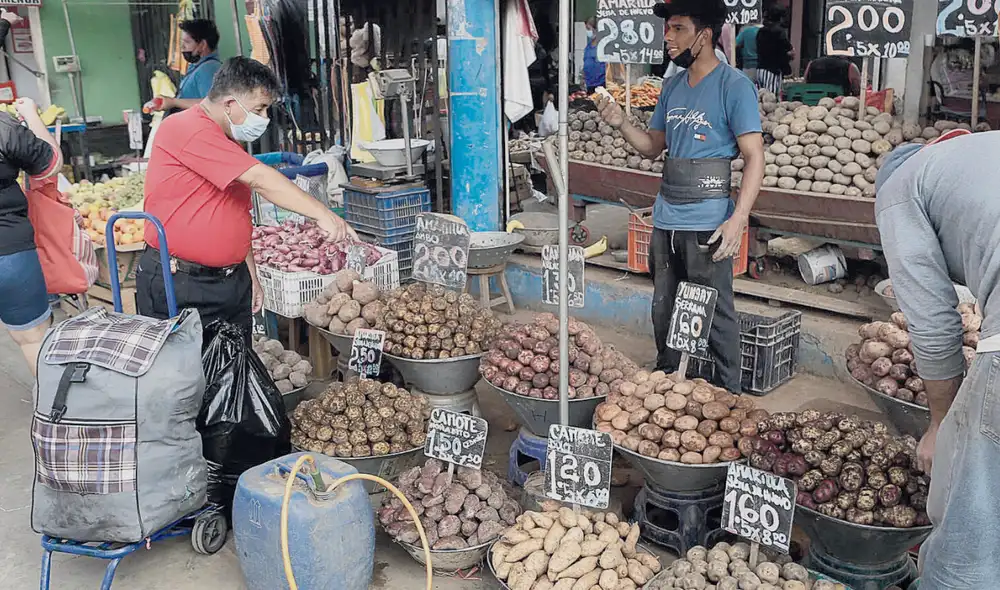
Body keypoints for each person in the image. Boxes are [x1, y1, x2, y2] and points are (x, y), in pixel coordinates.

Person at [595, 0, 764, 392]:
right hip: (666, 217)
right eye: (667, 29)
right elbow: (653, 147)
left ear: (705, 34)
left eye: (678, 28)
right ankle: (668, 384)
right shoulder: (671, 87)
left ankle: (730, 394)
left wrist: (738, 219)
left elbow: (755, 156)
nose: (667, 38)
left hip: (708, 220)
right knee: (664, 308)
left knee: (715, 312)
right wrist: (621, 123)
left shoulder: (734, 86)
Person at [138, 57, 355, 341]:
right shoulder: (186, 128)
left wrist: (249, 272)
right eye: (259, 109)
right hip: (182, 283)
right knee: (186, 367)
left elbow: (235, 210)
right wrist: (322, 214)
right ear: (229, 103)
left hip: (228, 280)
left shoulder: (226, 139)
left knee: (234, 363)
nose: (265, 118)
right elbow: (261, 179)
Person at [874, 129, 1000, 588]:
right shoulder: (977, 155)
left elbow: (934, 324)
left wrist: (940, 425)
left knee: (970, 535)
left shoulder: (899, 187)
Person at [0, 14, 64, 375]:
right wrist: (32, 115)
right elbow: (50, 164)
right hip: (8, 252)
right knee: (32, 338)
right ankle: (51, 404)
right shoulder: (4, 128)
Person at [150, 19, 222, 112]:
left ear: (202, 45)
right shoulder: (197, 67)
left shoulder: (208, 69)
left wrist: (174, 102)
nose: (182, 47)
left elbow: (213, 104)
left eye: (187, 42)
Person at [754, 12, 794, 95]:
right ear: (779, 19)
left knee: (760, 97)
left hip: (760, 69)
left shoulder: (760, 31)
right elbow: (788, 50)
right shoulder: (779, 32)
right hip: (772, 71)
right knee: (770, 97)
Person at [582, 17, 606, 91]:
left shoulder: (603, 46)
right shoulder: (588, 46)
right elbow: (586, 63)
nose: (587, 31)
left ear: (596, 29)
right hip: (589, 85)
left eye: (588, 29)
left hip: (601, 85)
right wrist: (583, 77)